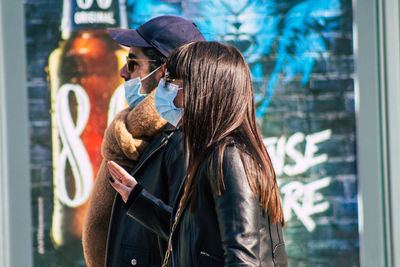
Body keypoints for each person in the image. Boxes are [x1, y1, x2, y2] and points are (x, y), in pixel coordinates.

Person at [107, 41, 288, 266]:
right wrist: (137, 198)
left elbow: (242, 259)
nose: (163, 87)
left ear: (202, 89)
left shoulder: (230, 156)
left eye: (170, 79)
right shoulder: (211, 153)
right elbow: (196, 237)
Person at [82, 16, 205, 267]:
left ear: (163, 72)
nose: (122, 71)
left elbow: (194, 240)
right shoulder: (130, 137)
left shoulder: (183, 141)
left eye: (132, 62)